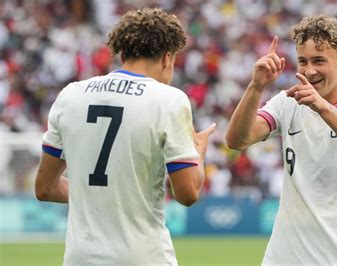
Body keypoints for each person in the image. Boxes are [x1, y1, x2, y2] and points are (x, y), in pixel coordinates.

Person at [35, 8, 215, 265]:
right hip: (143, 257)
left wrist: (96, 196)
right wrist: (199, 152)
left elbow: (44, 188)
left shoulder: (71, 95)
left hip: (80, 259)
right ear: (167, 58)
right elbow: (187, 194)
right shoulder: (169, 100)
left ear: (122, 53)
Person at [226, 15, 337, 265]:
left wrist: (321, 107)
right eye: (303, 61)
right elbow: (237, 140)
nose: (309, 70)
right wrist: (255, 88)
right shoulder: (288, 101)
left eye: (319, 61)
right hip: (282, 259)